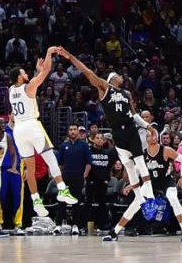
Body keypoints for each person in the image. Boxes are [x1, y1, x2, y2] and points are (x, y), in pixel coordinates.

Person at [58, 48, 156, 207]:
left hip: (130, 128)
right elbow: (87, 71)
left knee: (140, 161)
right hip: (117, 132)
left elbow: (134, 114)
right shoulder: (105, 87)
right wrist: (70, 57)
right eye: (116, 75)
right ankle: (140, 199)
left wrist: (147, 126)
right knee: (129, 166)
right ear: (111, 79)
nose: (119, 76)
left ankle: (150, 198)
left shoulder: (127, 93)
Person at [8, 46, 78, 217]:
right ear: (19, 76)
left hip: (18, 130)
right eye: (24, 73)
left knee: (29, 168)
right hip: (32, 126)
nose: (26, 74)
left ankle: (35, 200)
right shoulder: (28, 87)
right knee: (50, 157)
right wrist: (49, 52)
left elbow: (31, 86)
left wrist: (36, 74)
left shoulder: (11, 90)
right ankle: (62, 189)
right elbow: (47, 70)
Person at [105, 129, 182, 242]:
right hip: (150, 182)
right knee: (135, 204)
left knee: (173, 199)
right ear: (146, 139)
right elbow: (136, 170)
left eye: (154, 134)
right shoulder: (142, 154)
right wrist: (132, 185)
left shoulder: (166, 150)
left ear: (157, 137)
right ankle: (115, 232)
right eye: (149, 135)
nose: (152, 137)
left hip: (166, 180)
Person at [56, 125, 92, 235]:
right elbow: (60, 163)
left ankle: (75, 225)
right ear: (68, 132)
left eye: (74, 130)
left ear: (77, 132)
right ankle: (58, 225)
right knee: (61, 201)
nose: (73, 132)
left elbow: (89, 162)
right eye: (70, 130)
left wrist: (84, 175)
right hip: (65, 177)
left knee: (76, 202)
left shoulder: (84, 145)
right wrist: (60, 177)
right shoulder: (64, 146)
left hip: (78, 177)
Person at [87, 132, 119, 235]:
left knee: (102, 205)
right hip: (91, 182)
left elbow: (109, 166)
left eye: (101, 138)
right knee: (89, 204)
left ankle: (102, 225)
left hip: (102, 183)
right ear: (94, 140)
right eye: (97, 138)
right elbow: (87, 165)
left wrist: (107, 179)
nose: (100, 140)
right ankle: (87, 224)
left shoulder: (107, 153)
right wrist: (89, 179)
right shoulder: (89, 152)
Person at [0, 124, 25, 235]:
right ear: (9, 114)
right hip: (1, 167)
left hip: (17, 167)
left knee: (18, 196)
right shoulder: (2, 129)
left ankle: (18, 224)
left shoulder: (22, 129)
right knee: (0, 196)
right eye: (13, 112)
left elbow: (26, 149)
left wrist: (26, 167)